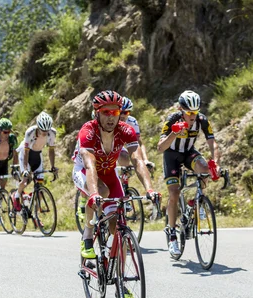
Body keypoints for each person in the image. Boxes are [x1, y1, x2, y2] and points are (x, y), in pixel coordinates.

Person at [73, 90, 158, 261]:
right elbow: (90, 166)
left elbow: (137, 160)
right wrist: (94, 193)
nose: (111, 117)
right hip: (85, 171)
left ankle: (122, 281)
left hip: (110, 173)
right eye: (106, 112)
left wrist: (150, 189)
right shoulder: (88, 131)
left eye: (116, 112)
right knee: (102, 191)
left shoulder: (126, 130)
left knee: (118, 225)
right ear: (97, 113)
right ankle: (87, 236)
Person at [157, 90, 220, 256]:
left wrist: (216, 163)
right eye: (189, 112)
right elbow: (160, 147)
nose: (192, 116)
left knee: (205, 169)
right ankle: (171, 234)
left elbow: (213, 143)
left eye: (195, 111)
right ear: (181, 109)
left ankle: (197, 201)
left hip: (188, 153)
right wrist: (173, 133)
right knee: (174, 193)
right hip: (171, 155)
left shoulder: (201, 120)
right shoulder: (172, 119)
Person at [13, 111, 57, 211]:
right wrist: (24, 169)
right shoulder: (30, 132)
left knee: (40, 190)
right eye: (42, 131)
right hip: (25, 155)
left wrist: (53, 166)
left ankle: (35, 216)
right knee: (25, 181)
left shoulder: (52, 133)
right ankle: (16, 196)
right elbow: (26, 152)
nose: (45, 133)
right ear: (38, 127)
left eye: (47, 131)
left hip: (37, 155)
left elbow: (51, 150)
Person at [117, 97, 154, 171]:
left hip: (118, 146)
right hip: (105, 145)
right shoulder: (109, 120)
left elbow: (139, 142)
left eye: (126, 112)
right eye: (120, 112)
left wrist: (145, 160)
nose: (122, 115)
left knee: (125, 159)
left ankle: (124, 179)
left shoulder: (132, 121)